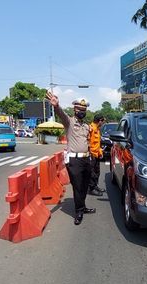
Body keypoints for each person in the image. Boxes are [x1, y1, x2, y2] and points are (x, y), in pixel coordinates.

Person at [46, 91, 96, 225]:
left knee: (85, 186)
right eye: (80, 109)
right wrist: (57, 106)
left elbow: (87, 142)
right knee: (77, 186)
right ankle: (79, 211)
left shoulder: (86, 126)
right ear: (75, 109)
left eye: (84, 110)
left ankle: (83, 206)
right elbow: (61, 115)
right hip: (74, 161)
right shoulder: (69, 122)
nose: (82, 111)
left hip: (86, 160)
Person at [88, 114, 106, 196]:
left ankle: (95, 186)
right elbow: (87, 142)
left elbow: (97, 144)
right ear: (99, 121)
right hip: (91, 154)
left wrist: (100, 153)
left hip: (96, 154)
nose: (103, 123)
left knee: (97, 172)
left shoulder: (97, 129)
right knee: (92, 173)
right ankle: (91, 188)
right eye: (103, 121)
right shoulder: (90, 129)